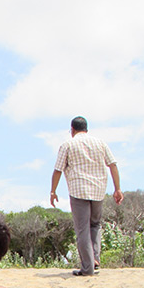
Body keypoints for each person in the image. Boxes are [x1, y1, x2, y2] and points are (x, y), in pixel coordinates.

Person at [50, 116, 124, 276]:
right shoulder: (100, 143)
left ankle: (87, 267)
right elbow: (113, 164)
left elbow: (58, 169)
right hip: (98, 190)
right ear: (86, 129)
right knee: (95, 225)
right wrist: (117, 189)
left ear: (72, 130)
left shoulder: (68, 144)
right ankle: (95, 259)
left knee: (82, 229)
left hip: (79, 190)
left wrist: (53, 191)